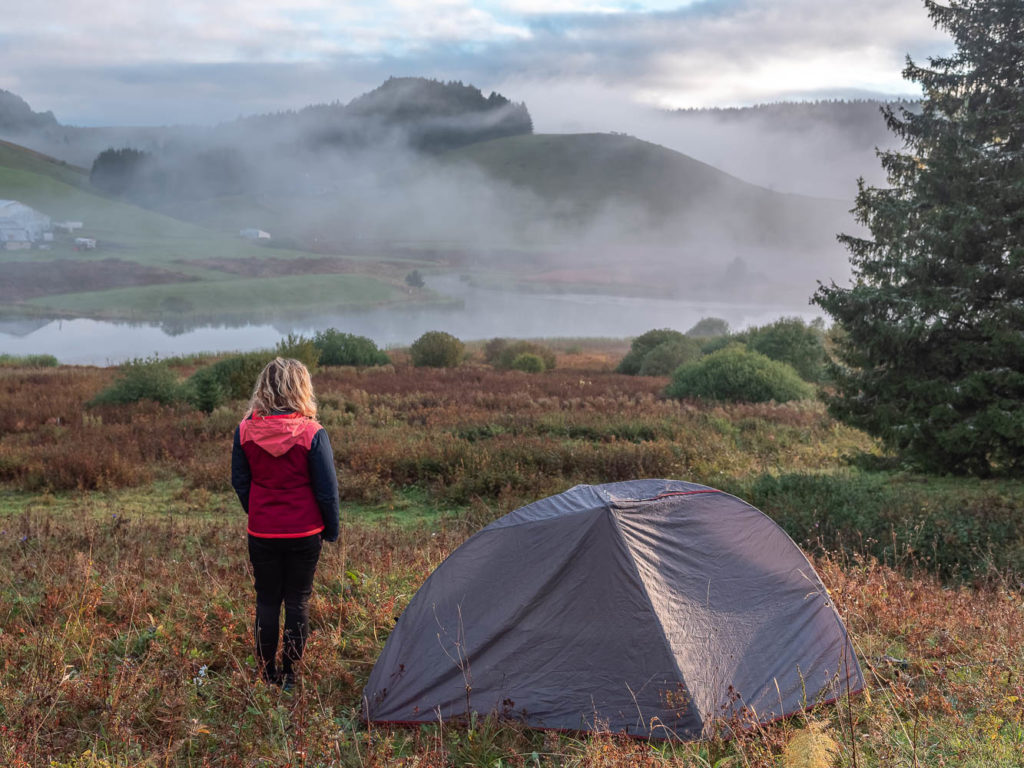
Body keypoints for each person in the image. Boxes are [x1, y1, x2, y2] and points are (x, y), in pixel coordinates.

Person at [230, 357, 339, 690]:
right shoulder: (311, 432)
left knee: (266, 601)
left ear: (264, 387)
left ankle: (266, 675)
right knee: (297, 601)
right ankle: (290, 676)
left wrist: (259, 510)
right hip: (304, 532)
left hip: (262, 530)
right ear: (301, 387)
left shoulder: (245, 429)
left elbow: (240, 480)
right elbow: (327, 490)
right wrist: (331, 529)